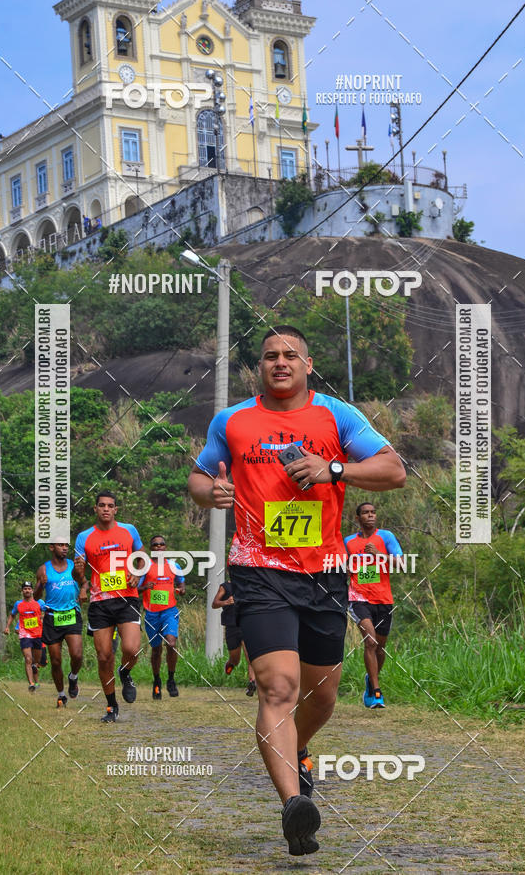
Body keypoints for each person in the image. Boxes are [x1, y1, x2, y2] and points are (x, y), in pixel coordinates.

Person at [188, 325, 405, 855]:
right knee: (278, 688)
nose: (279, 362)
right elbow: (197, 477)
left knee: (322, 693)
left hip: (325, 572)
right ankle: (293, 808)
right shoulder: (232, 420)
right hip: (258, 573)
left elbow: (394, 471)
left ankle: (296, 749)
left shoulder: (336, 416)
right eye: (269, 356)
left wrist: (334, 469)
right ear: (258, 367)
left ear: (308, 364)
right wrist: (210, 491)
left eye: (290, 355)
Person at [74, 490, 145, 723]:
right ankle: (111, 706)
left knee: (131, 648)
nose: (106, 509)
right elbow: (79, 574)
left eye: (110, 505)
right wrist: (80, 576)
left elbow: (142, 556)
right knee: (104, 656)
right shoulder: (84, 537)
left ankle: (125, 671)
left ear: (116, 509)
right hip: (100, 602)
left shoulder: (129, 530)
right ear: (95, 509)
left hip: (127, 597)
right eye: (101, 505)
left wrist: (136, 571)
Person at [345, 502, 404, 709]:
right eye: (365, 513)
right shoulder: (349, 542)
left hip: (383, 599)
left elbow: (402, 563)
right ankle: (376, 692)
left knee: (380, 648)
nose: (370, 516)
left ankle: (371, 679)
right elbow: (341, 567)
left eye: (373, 512)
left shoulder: (386, 537)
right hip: (358, 598)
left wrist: (380, 555)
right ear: (358, 518)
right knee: (370, 642)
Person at [34, 541, 88, 708]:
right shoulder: (44, 569)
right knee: (56, 661)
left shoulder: (74, 566)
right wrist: (40, 584)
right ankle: (61, 694)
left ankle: (73, 677)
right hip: (52, 617)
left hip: (71, 613)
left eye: (66, 545)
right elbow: (36, 597)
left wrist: (83, 590)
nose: (64, 548)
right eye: (60, 545)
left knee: (77, 655)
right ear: (52, 548)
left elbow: (84, 582)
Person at [138, 535, 185, 699]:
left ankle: (171, 679)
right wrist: (145, 587)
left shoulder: (173, 565)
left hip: (169, 611)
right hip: (151, 613)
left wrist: (182, 589)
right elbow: (135, 590)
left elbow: (181, 581)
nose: (159, 547)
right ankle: (156, 680)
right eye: (155, 545)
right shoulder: (146, 567)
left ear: (165, 547)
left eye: (161, 544)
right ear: (151, 549)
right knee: (156, 650)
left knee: (171, 643)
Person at [212, 580, 256, 696]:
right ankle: (230, 664)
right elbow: (214, 604)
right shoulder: (225, 587)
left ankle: (252, 683)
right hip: (231, 626)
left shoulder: (247, 584)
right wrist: (226, 602)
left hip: (246, 624)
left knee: (249, 655)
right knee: (235, 659)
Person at [4, 582, 46, 691]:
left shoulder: (39, 602)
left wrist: (44, 621)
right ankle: (31, 683)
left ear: (32, 591)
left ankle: (35, 675)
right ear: (22, 591)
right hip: (25, 634)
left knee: (36, 661)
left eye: (29, 588)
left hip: (38, 634)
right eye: (25, 589)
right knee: (28, 659)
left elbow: (47, 612)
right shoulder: (18, 604)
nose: (27, 590)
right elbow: (12, 615)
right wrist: (7, 627)